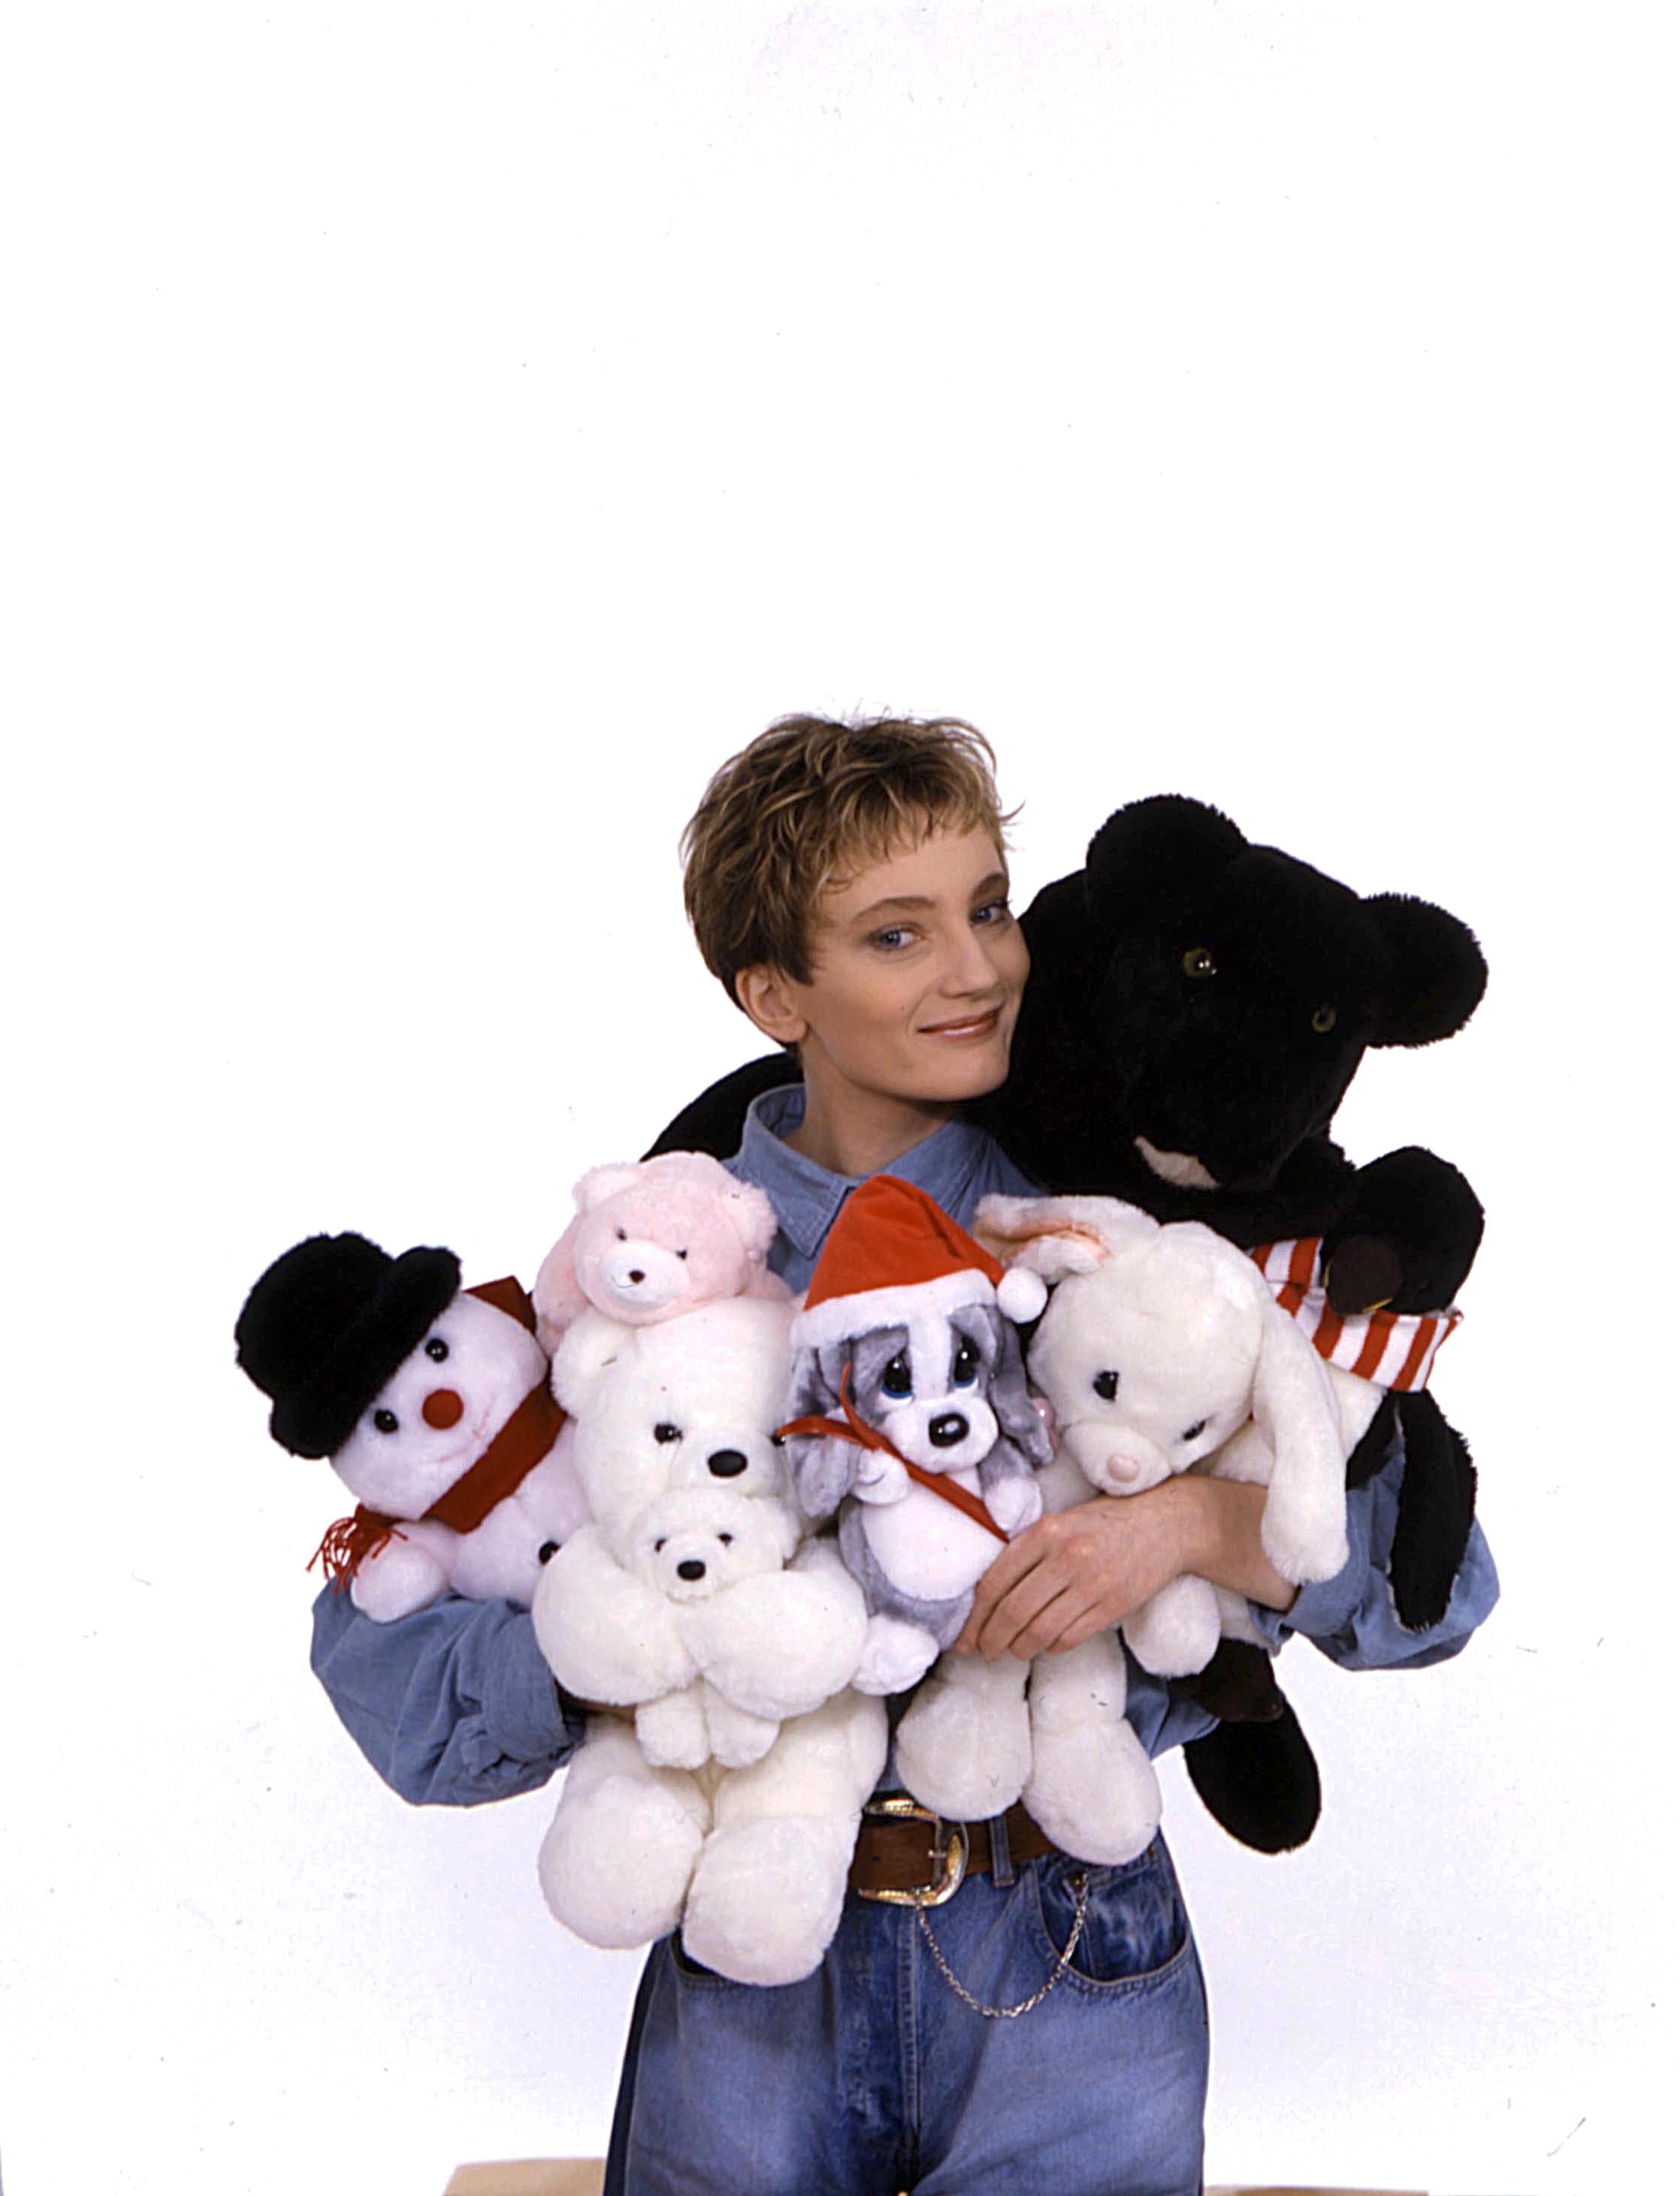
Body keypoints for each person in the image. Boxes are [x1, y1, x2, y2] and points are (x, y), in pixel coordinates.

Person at [311, 713, 1498, 2195]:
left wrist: (1191, 1524)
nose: (976, 968)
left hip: (1065, 1939)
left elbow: (1438, 1600)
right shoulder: (643, 1262)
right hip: (747, 1950)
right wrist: (639, 1624)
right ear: (771, 991)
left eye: (989, 909)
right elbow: (399, 1682)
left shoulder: (1120, 1233)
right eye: (896, 934)